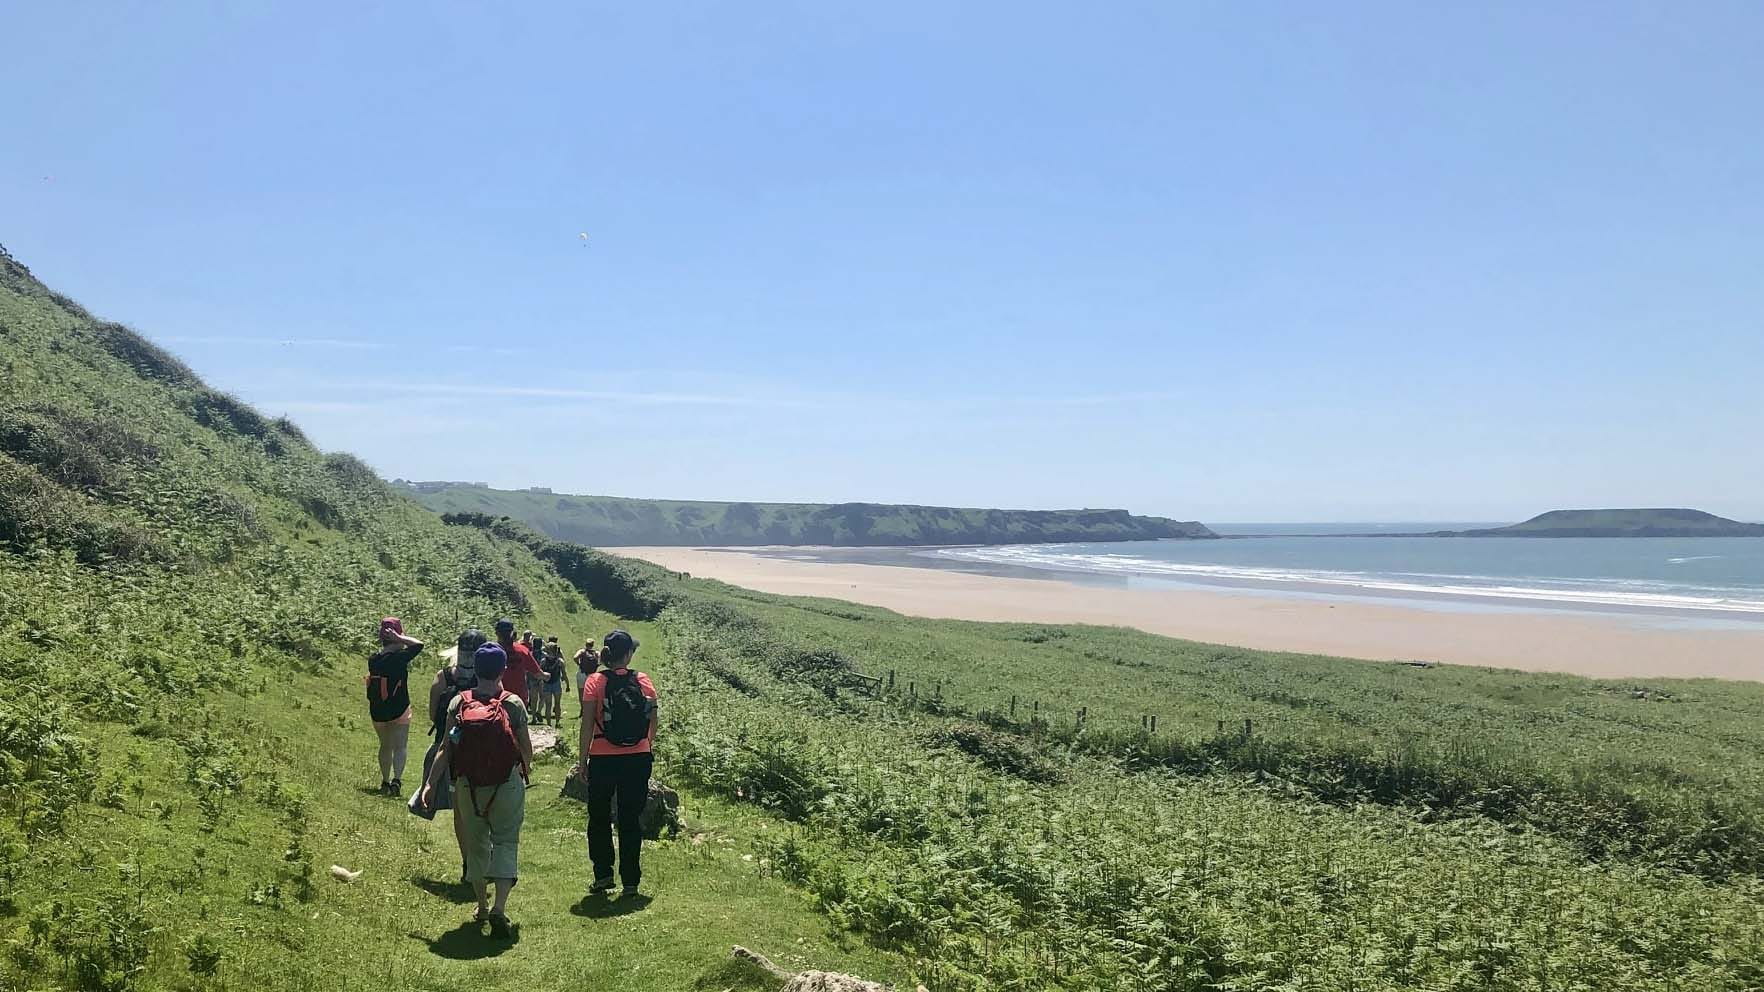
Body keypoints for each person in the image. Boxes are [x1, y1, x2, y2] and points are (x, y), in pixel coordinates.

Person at [422, 643, 533, 938]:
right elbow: (526, 749)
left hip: (468, 786)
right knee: (506, 841)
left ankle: (481, 906)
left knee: (476, 845)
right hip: (506, 785)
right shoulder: (513, 703)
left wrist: (431, 783)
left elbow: (446, 747)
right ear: (502, 670)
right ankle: (499, 908)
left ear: (474, 669)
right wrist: (523, 770)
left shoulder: (459, 703)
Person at [575, 629, 658, 898]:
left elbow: (586, 724)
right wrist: (647, 746)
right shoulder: (643, 680)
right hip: (638, 756)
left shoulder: (594, 682)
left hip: (602, 756)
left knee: (599, 816)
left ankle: (603, 875)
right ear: (629, 654)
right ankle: (631, 882)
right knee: (630, 818)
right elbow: (652, 720)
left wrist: (582, 759)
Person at [424, 628, 486, 881]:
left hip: (449, 753)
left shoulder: (443, 678)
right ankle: (483, 857)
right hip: (483, 753)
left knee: (461, 811)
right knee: (482, 806)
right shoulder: (489, 679)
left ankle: (467, 863)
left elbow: (432, 716)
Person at [365, 617, 424, 797]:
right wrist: (401, 638)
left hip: (378, 710)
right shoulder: (400, 657)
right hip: (400, 708)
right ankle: (396, 780)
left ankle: (384, 780)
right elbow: (418, 645)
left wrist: (395, 638)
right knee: (400, 746)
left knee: (385, 746)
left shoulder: (373, 659)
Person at [492, 619, 542, 706]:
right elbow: (537, 673)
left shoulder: (490, 651)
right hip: (518, 700)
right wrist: (547, 676)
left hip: (496, 699)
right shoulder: (522, 650)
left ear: (496, 633)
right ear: (512, 633)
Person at [538, 638, 566, 725]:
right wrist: (566, 683)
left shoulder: (543, 661)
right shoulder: (560, 661)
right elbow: (564, 673)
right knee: (557, 704)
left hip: (546, 684)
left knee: (548, 705)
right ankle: (557, 722)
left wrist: (540, 682)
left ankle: (549, 723)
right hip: (556, 683)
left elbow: (540, 672)